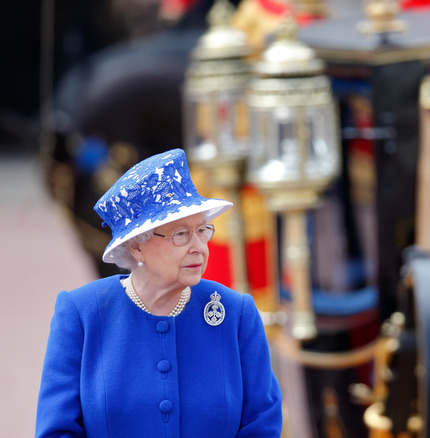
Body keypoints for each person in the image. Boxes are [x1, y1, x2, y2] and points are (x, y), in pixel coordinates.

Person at [36, 148, 283, 437]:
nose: (199, 247)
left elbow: (262, 425)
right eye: (181, 234)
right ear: (137, 246)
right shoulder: (81, 313)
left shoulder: (235, 313)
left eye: (202, 230)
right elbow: (56, 430)